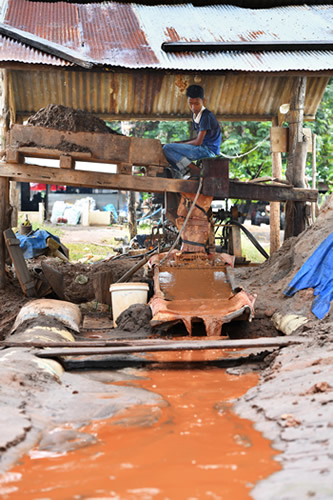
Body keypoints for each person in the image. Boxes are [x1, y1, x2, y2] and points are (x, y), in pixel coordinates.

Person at [162, 85, 222, 179]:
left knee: (167, 149)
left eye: (197, 103)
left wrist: (178, 145)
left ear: (204, 101)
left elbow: (198, 142)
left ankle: (194, 169)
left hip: (208, 151)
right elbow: (198, 138)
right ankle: (186, 169)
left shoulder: (206, 116)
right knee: (170, 152)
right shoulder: (196, 115)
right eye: (191, 103)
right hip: (202, 148)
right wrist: (179, 143)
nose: (193, 107)